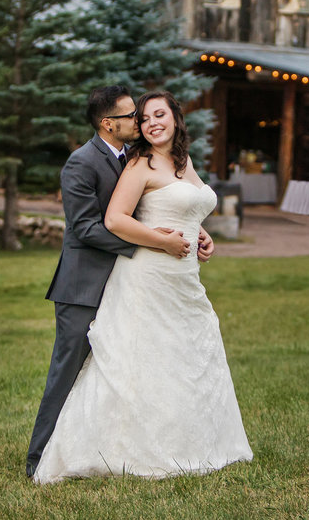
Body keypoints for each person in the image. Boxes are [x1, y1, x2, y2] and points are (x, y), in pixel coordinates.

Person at [32, 90, 252, 484]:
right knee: (72, 371)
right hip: (94, 280)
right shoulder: (94, 162)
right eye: (136, 116)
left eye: (153, 115)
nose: (143, 121)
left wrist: (197, 232)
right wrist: (158, 241)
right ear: (108, 123)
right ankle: (42, 457)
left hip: (172, 277)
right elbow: (94, 224)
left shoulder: (160, 159)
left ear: (175, 118)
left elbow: (171, 204)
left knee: (166, 359)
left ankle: (182, 442)